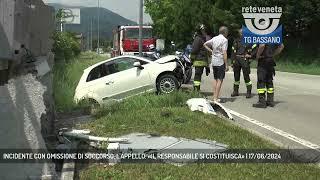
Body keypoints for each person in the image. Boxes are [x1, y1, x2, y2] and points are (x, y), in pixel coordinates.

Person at [253, 43, 284, 108]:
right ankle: (270, 101)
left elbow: (262, 45)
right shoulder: (274, 35)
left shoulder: (264, 35)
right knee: (269, 81)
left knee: (261, 81)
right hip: (271, 61)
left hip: (263, 60)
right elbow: (281, 46)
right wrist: (272, 54)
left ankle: (262, 102)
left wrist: (257, 55)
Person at [204, 26, 229, 102]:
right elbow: (224, 52)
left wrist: (211, 51)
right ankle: (216, 98)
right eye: (227, 32)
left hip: (214, 61)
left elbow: (204, 44)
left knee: (215, 79)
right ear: (225, 32)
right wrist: (227, 64)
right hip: (220, 61)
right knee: (220, 80)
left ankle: (214, 96)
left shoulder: (214, 38)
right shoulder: (224, 40)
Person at [231, 29, 256, 98]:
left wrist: (251, 56)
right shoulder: (236, 40)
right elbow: (233, 52)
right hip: (236, 60)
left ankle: (249, 92)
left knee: (246, 76)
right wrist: (232, 62)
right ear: (239, 34)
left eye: (243, 33)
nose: (242, 34)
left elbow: (255, 50)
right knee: (236, 76)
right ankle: (235, 91)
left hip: (245, 60)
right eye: (240, 33)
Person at [190, 24, 210, 91]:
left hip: (199, 61)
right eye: (203, 30)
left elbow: (194, 50)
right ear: (200, 31)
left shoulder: (198, 39)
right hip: (201, 61)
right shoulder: (200, 39)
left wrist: (191, 60)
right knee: (198, 76)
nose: (205, 32)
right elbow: (196, 50)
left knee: (197, 77)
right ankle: (196, 90)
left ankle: (196, 91)